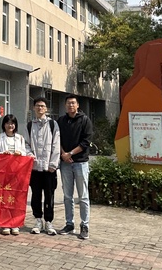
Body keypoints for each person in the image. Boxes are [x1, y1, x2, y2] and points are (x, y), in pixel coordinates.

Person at [57, 94, 93, 240]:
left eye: (73, 103)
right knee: (67, 196)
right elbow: (57, 139)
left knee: (83, 196)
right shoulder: (61, 121)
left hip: (80, 163)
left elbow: (86, 142)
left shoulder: (85, 120)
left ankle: (85, 225)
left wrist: (70, 153)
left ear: (77, 105)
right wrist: (63, 154)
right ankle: (69, 223)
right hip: (65, 163)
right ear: (65, 105)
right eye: (68, 103)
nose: (70, 105)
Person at [25, 97, 60, 236]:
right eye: (37, 106)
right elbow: (26, 144)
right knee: (36, 194)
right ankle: (38, 220)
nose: (40, 108)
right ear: (34, 108)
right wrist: (30, 156)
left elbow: (56, 144)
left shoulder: (52, 124)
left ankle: (49, 221)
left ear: (46, 109)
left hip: (49, 168)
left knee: (49, 195)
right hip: (35, 168)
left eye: (42, 106)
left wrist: (53, 164)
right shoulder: (30, 125)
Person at [0, 114, 27, 235]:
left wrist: (20, 153)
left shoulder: (20, 138)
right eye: (8, 123)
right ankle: (5, 223)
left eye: (12, 123)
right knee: (4, 198)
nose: (10, 125)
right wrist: (2, 154)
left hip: (17, 172)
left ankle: (15, 224)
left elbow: (25, 153)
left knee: (16, 198)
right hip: (4, 173)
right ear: (4, 125)